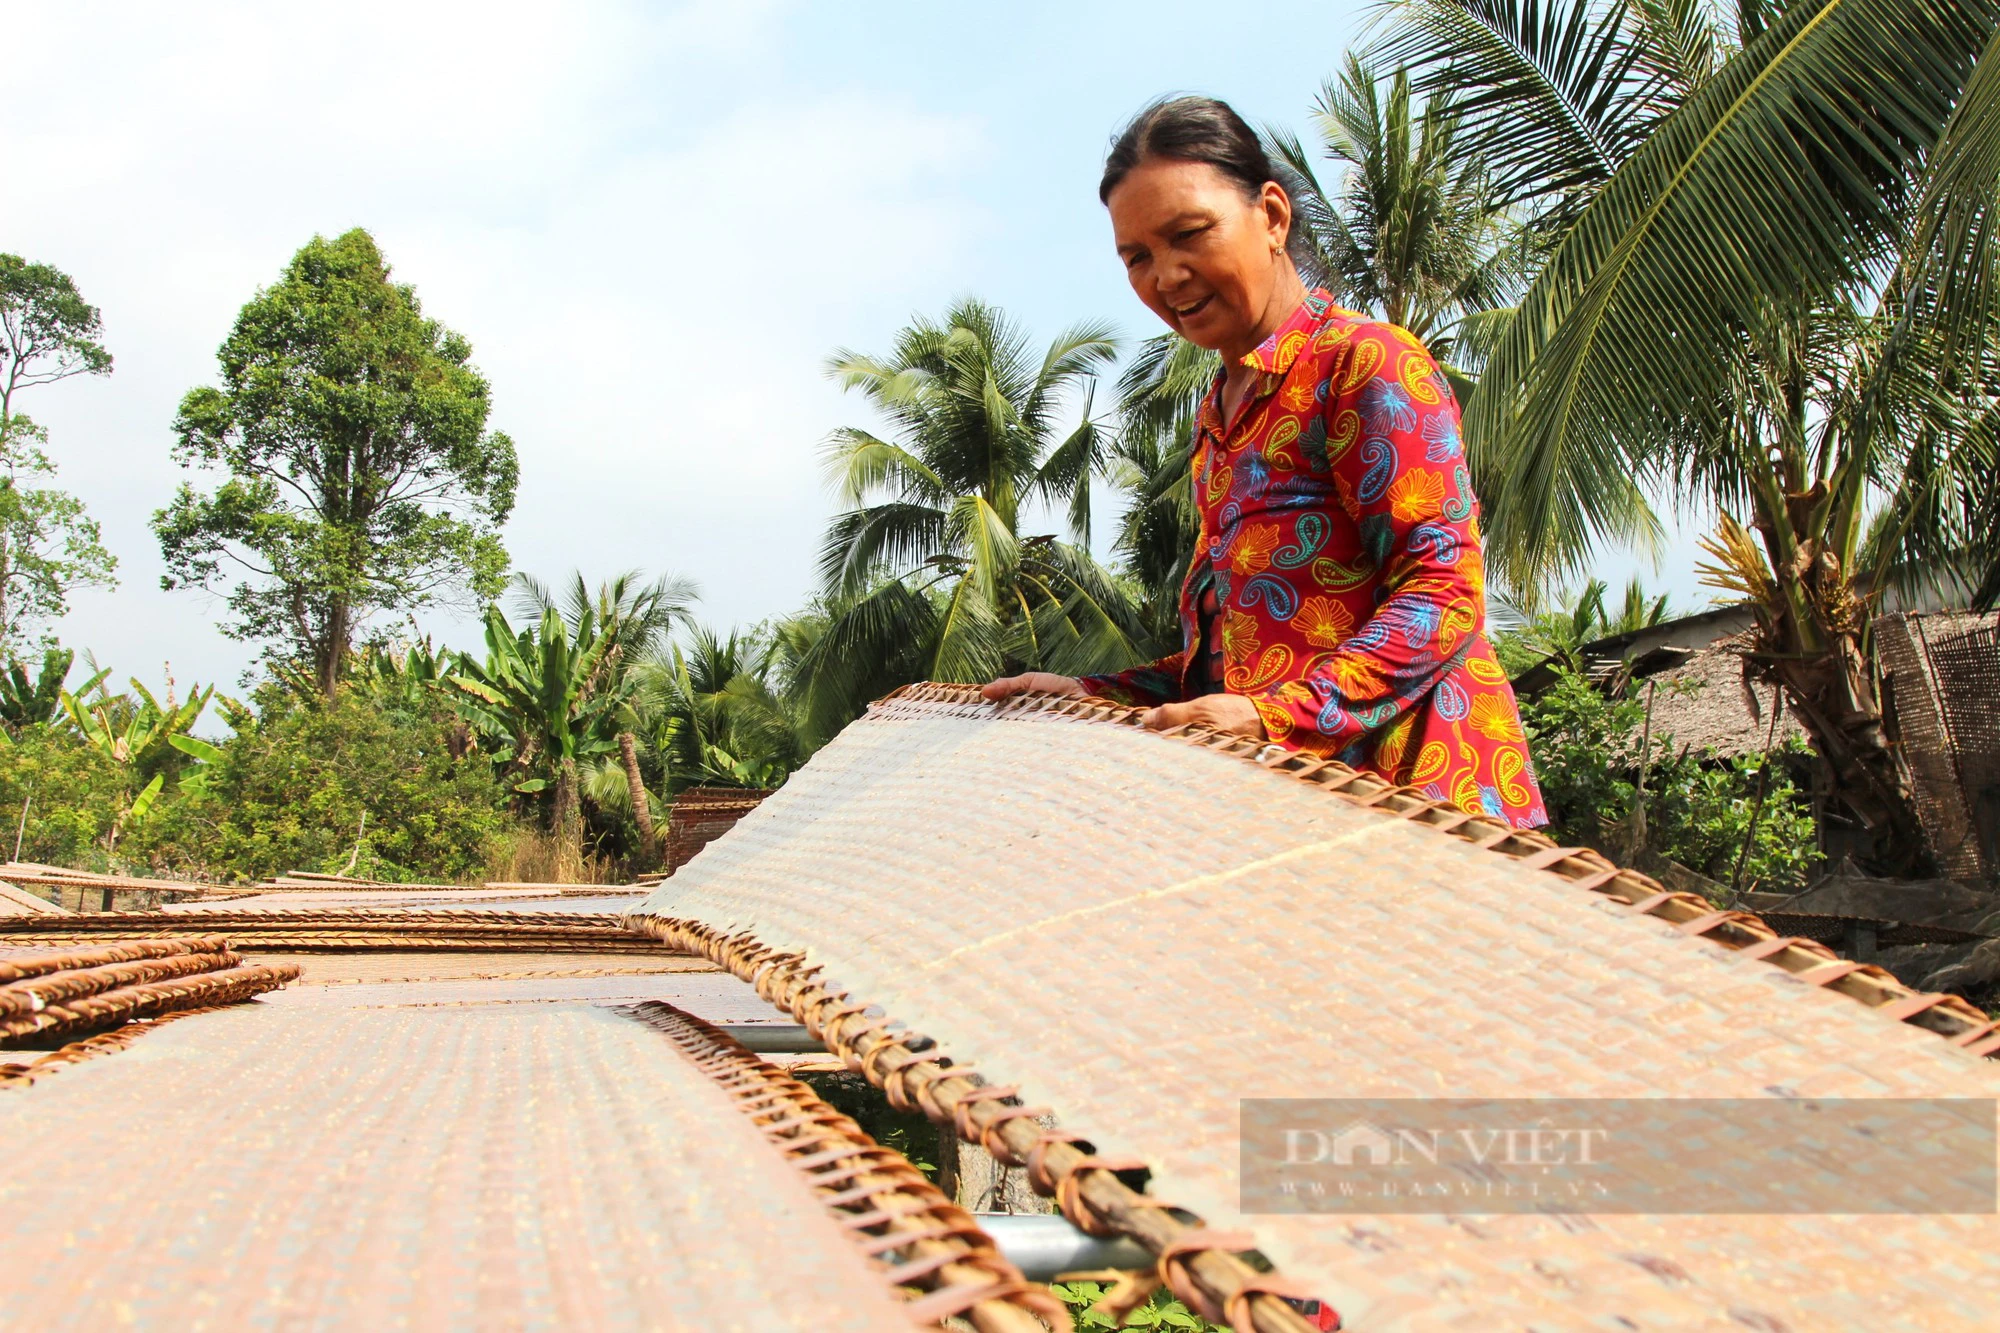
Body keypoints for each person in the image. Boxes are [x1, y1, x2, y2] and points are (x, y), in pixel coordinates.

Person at [982, 95, 1546, 829]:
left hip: (1425, 809)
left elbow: (1443, 591)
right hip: (1301, 819)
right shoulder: (1220, 414)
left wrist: (1275, 716)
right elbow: (1232, 667)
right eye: (1138, 257)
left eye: (1189, 234)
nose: (1168, 276)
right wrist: (1093, 695)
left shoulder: (1363, 364)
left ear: (1273, 217)